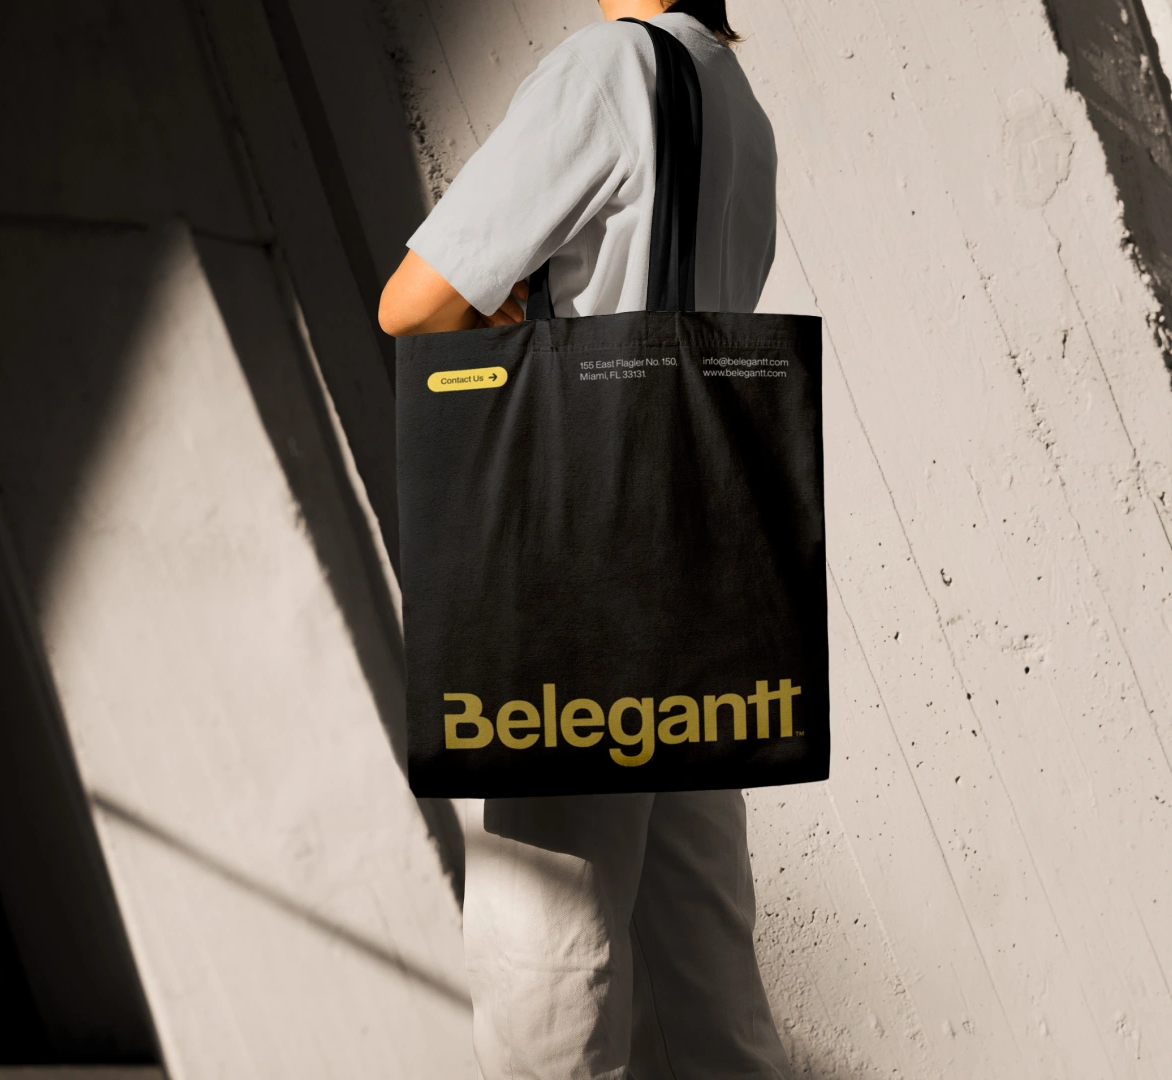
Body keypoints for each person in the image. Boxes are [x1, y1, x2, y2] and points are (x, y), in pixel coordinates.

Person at [378, 1, 789, 1076]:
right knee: (703, 968)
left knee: (544, 940)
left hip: (589, 560)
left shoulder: (608, 68)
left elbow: (413, 305)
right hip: (697, 563)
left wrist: (506, 312)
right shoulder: (734, 100)